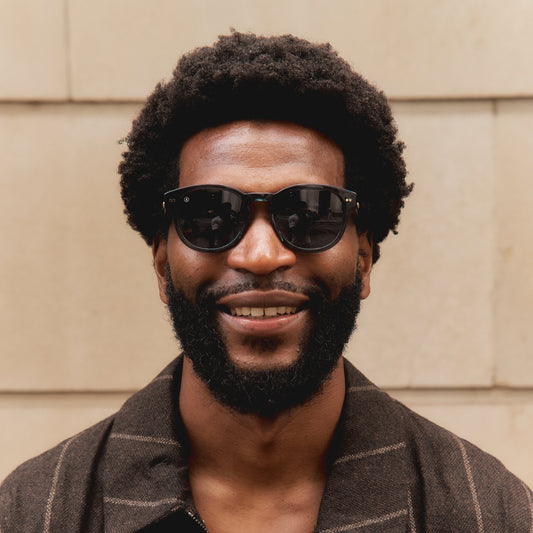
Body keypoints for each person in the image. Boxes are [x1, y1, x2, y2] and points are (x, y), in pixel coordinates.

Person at [1, 32, 531, 533]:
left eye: (310, 213)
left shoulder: (492, 513)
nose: (260, 256)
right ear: (162, 264)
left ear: (364, 258)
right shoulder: (31, 513)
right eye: (209, 215)